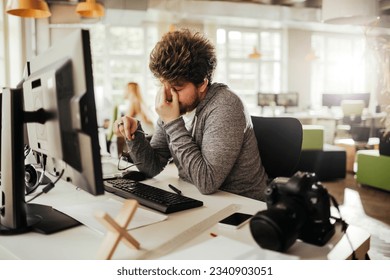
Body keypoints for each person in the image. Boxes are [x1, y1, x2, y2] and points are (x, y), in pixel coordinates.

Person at [114, 28, 268, 201]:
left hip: (243, 208)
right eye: (163, 85)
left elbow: (207, 182)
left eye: (177, 88)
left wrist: (172, 122)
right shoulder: (176, 105)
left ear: (202, 83)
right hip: (199, 199)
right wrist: (135, 135)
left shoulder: (225, 105)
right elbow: (152, 166)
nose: (168, 96)